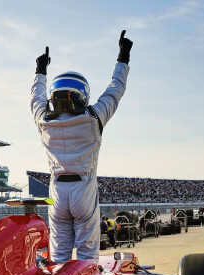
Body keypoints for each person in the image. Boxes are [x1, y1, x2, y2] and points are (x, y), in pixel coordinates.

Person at [31, 30, 132, 263]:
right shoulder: (94, 118)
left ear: (54, 96)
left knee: (58, 257)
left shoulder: (43, 121)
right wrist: (123, 56)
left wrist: (40, 70)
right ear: (82, 96)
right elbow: (116, 89)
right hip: (83, 191)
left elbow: (36, 97)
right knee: (87, 258)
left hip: (56, 192)